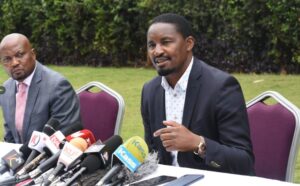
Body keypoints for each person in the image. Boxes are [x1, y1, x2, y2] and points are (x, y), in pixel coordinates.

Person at [141, 13, 255, 175]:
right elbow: (153, 154)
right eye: (151, 45)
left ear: (188, 44)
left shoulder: (222, 87)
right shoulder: (150, 91)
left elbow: (244, 162)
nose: (157, 51)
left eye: (166, 42)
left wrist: (198, 144)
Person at [0, 33, 82, 144]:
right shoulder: (6, 89)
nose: (14, 63)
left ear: (33, 54)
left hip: (48, 158)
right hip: (19, 157)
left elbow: (64, 137)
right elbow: (10, 137)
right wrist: (11, 160)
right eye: (7, 59)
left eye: (19, 55)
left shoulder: (58, 86)